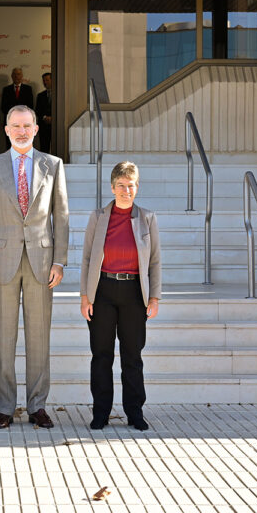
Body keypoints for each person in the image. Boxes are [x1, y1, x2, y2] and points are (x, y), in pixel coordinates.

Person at [0, 104, 69, 429]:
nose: (22, 130)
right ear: (5, 130)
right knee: (4, 337)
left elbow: (63, 216)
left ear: (36, 129)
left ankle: (37, 406)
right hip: (1, 263)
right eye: (15, 125)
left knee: (39, 338)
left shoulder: (53, 165)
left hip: (42, 262)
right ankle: (4, 408)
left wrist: (60, 260)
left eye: (27, 125)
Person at [80, 161, 161, 431]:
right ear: (113, 187)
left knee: (132, 356)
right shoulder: (98, 217)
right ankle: (101, 412)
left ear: (137, 187)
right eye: (122, 185)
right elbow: (88, 258)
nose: (127, 190)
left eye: (132, 185)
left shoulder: (147, 218)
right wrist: (85, 296)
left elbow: (155, 262)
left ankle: (135, 412)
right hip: (102, 290)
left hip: (134, 293)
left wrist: (155, 298)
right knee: (101, 354)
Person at [0, 68, 34, 150]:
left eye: (18, 74)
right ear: (11, 76)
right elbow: (3, 107)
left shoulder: (28, 89)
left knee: (24, 144)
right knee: (10, 144)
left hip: (25, 123)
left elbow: (30, 106)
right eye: (14, 74)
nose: (16, 76)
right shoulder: (6, 90)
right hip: (11, 123)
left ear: (22, 76)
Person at [34, 72, 52, 153]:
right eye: (44, 80)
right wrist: (45, 117)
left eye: (47, 80)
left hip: (55, 127)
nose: (45, 82)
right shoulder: (40, 95)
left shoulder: (59, 94)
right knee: (44, 149)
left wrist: (52, 118)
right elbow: (37, 110)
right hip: (43, 126)